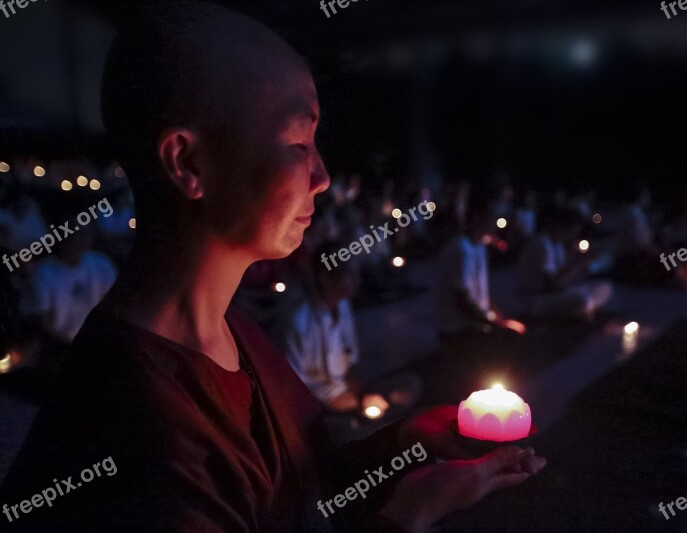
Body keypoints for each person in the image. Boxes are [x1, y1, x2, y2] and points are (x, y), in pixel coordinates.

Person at [0, 3, 545, 531]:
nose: (324, 176)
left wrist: (406, 447)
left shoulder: (233, 331)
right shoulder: (135, 430)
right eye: (298, 142)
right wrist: (410, 517)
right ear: (188, 163)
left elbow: (299, 496)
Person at [274, 240, 421, 416]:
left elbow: (351, 360)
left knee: (409, 385)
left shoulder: (343, 306)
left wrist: (362, 393)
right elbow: (293, 386)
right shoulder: (298, 321)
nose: (357, 281)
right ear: (325, 278)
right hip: (319, 405)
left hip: (347, 392)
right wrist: (355, 402)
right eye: (349, 275)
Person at [437, 200, 526, 337]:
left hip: (475, 323)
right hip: (458, 329)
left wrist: (494, 312)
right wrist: (493, 326)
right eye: (492, 218)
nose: (495, 224)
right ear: (477, 218)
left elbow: (476, 292)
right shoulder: (460, 249)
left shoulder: (480, 246)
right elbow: (462, 299)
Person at [518, 207, 612, 318]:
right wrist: (579, 263)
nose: (572, 236)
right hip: (537, 299)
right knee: (581, 300)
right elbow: (553, 286)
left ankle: (584, 309)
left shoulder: (557, 244)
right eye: (571, 231)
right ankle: (583, 309)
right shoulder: (541, 245)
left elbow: (567, 280)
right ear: (558, 227)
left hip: (556, 294)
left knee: (605, 287)